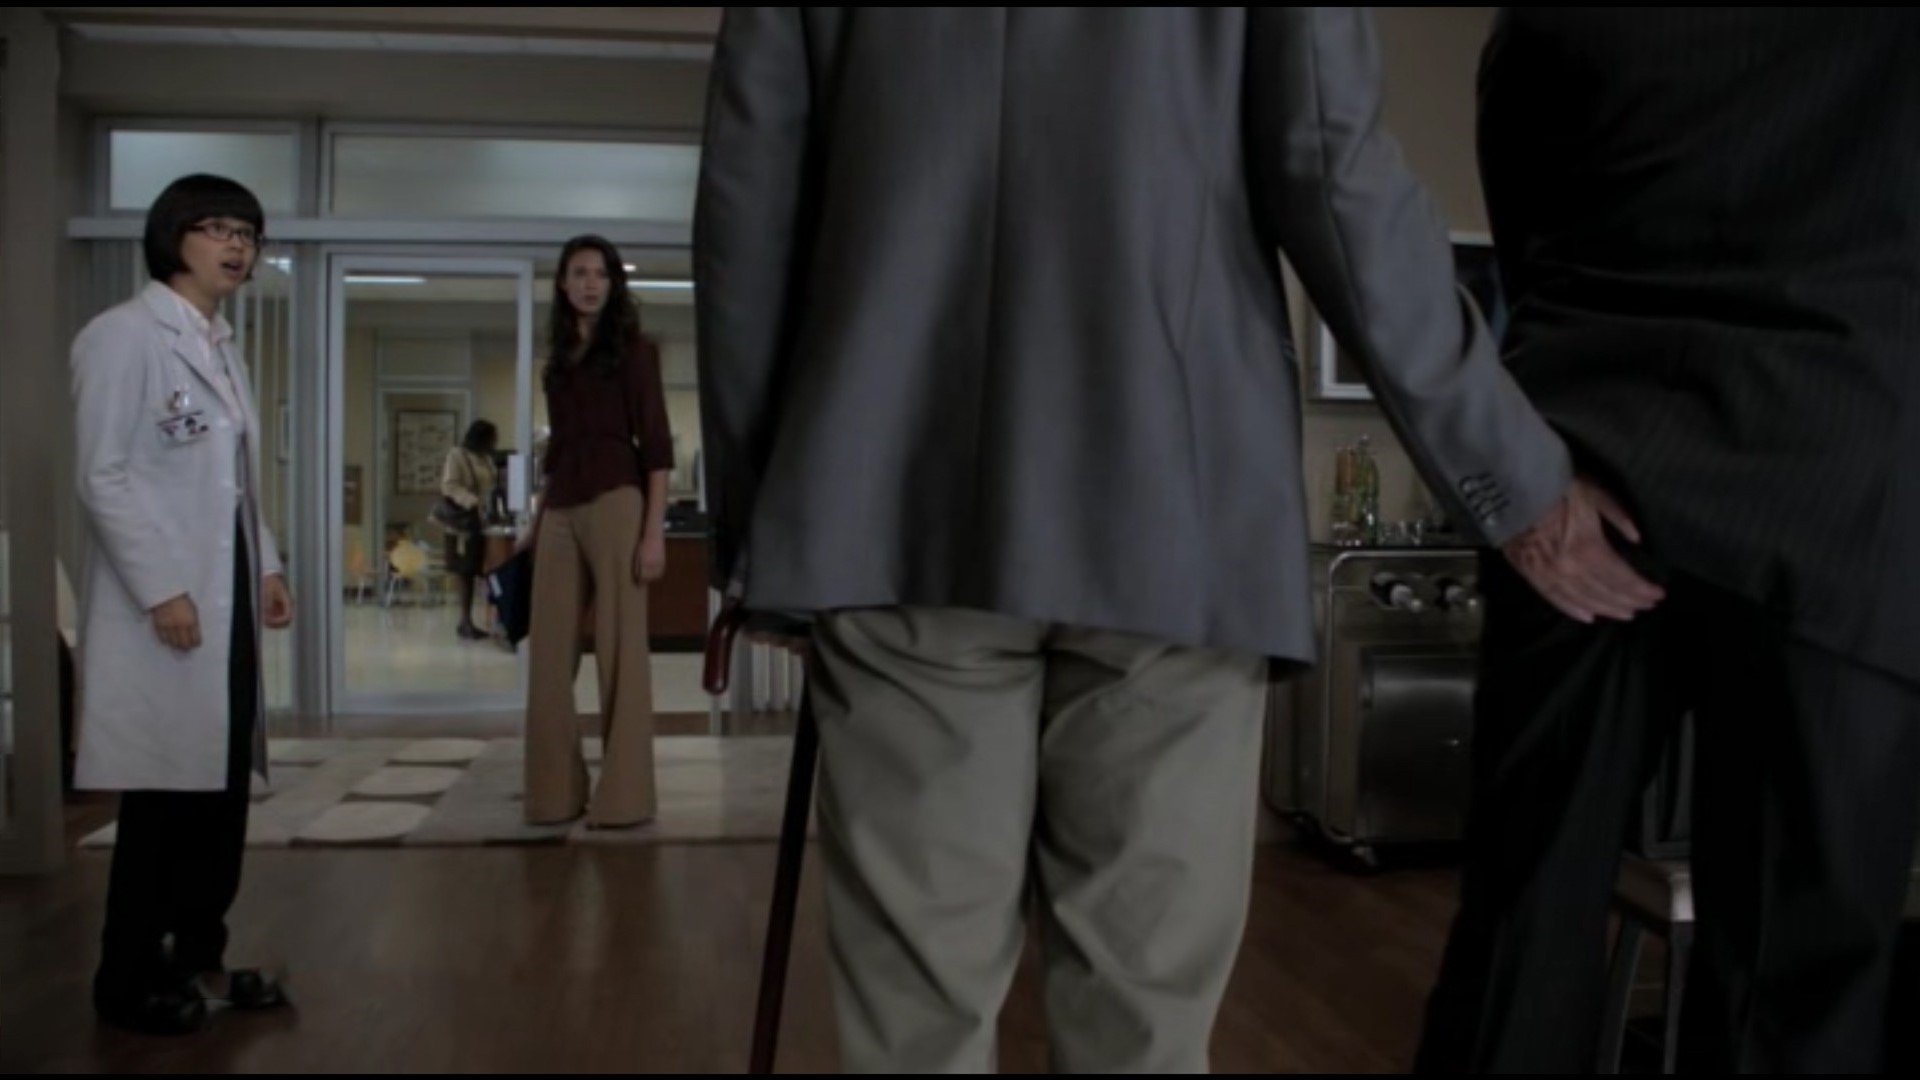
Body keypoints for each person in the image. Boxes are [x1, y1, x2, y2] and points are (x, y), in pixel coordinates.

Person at [694, 9, 1647, 1072]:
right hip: (1174, 518)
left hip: (892, 510)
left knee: (911, 1030)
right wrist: (1518, 486)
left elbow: (749, 207)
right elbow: (1340, 185)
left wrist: (763, 531)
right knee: (1141, 1027)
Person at [1416, 9, 1920, 1073]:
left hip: (1584, 468)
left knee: (1522, 922)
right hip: (1836, 478)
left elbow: (1523, 219)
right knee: (1795, 985)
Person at [70, 173, 296, 1035]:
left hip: (223, 593)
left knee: (220, 788)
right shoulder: (122, 337)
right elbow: (102, 476)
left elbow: (234, 484)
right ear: (174, 237)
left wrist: (265, 564)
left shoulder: (223, 346)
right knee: (163, 800)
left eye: (248, 233)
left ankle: (200, 957)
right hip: (165, 603)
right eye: (217, 228)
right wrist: (161, 586)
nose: (237, 246)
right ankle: (126, 980)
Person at [521, 235, 673, 828]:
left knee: (620, 650)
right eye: (579, 273)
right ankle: (553, 794)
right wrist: (536, 523)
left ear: (614, 285)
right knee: (549, 654)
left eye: (600, 274)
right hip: (561, 504)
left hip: (618, 500)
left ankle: (625, 798)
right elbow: (557, 450)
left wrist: (654, 533)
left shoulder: (636, 352)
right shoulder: (557, 363)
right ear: (562, 283)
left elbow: (655, 445)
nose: (589, 283)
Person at [439, 419, 500, 640]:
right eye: (492, 438)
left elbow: (491, 485)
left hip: (482, 521)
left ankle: (482, 620)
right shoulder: (458, 455)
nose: (494, 443)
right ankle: (465, 622)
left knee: (479, 569)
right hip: (463, 523)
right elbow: (449, 485)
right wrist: (473, 502)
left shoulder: (486, 459)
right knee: (466, 571)